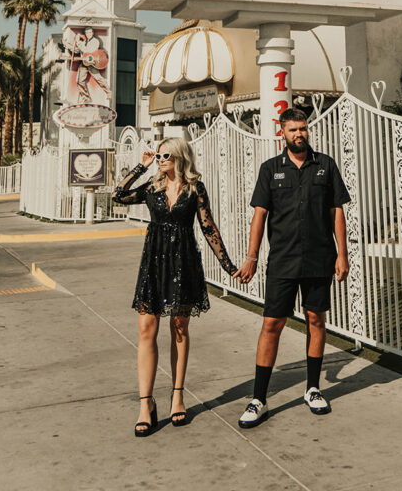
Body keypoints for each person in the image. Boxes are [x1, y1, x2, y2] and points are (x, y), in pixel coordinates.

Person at [233, 107, 350, 428]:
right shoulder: (270, 169)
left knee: (316, 319)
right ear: (281, 133)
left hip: (319, 259)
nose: (299, 134)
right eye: (293, 129)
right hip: (282, 261)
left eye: (303, 129)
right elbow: (259, 215)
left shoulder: (325, 165)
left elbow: (336, 212)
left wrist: (343, 254)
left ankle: (313, 388)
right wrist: (252, 257)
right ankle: (258, 398)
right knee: (272, 324)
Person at [113, 137, 237, 437]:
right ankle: (146, 403)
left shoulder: (195, 189)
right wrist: (141, 166)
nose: (160, 159)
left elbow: (208, 227)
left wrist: (228, 265)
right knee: (146, 329)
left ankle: (177, 395)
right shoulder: (152, 187)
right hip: (154, 264)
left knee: (179, 328)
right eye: (158, 156)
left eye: (165, 155)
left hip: (184, 263)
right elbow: (119, 195)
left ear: (180, 157)